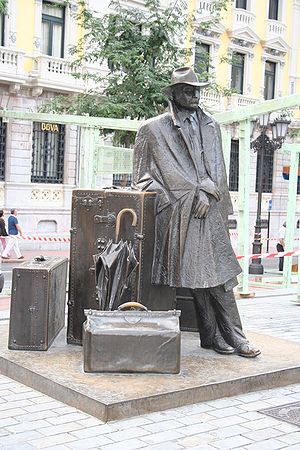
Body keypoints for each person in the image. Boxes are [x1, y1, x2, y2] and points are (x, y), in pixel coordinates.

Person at [133, 66, 260, 358]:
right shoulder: (152, 129)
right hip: (179, 214)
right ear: (174, 93)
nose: (195, 94)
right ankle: (213, 335)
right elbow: (141, 177)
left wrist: (208, 192)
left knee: (220, 276)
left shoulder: (211, 125)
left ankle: (233, 336)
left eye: (198, 89)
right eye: (188, 89)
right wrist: (177, 199)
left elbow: (218, 171)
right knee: (199, 276)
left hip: (210, 210)